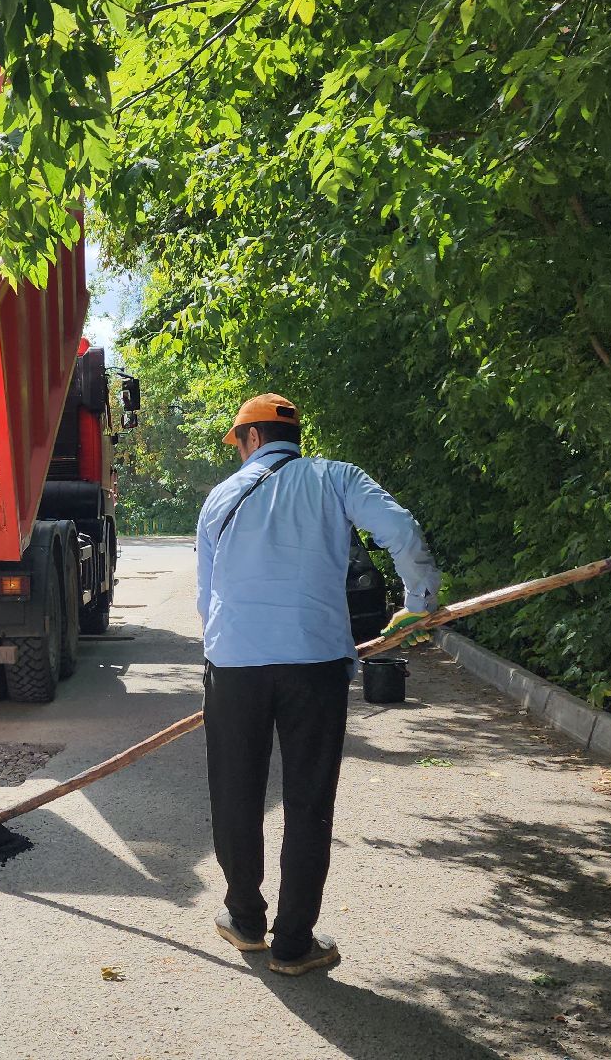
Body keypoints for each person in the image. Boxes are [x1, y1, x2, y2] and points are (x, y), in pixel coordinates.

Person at [196, 393, 441, 975]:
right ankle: (293, 943)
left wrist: (225, 651)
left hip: (234, 666)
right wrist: (418, 604)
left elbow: (207, 594)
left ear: (251, 438)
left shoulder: (221, 498)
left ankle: (245, 920)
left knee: (235, 793)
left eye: (238, 443)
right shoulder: (336, 478)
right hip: (315, 664)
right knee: (308, 801)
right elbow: (402, 532)